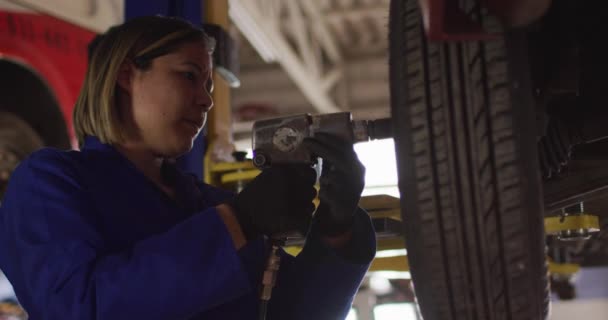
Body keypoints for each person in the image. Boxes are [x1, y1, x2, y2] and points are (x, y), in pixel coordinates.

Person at [0, 16, 376, 320]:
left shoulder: (208, 204)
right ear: (127, 75)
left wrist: (335, 229)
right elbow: (76, 308)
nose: (207, 100)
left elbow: (290, 314)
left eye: (210, 85)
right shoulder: (49, 182)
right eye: (189, 75)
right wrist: (238, 222)